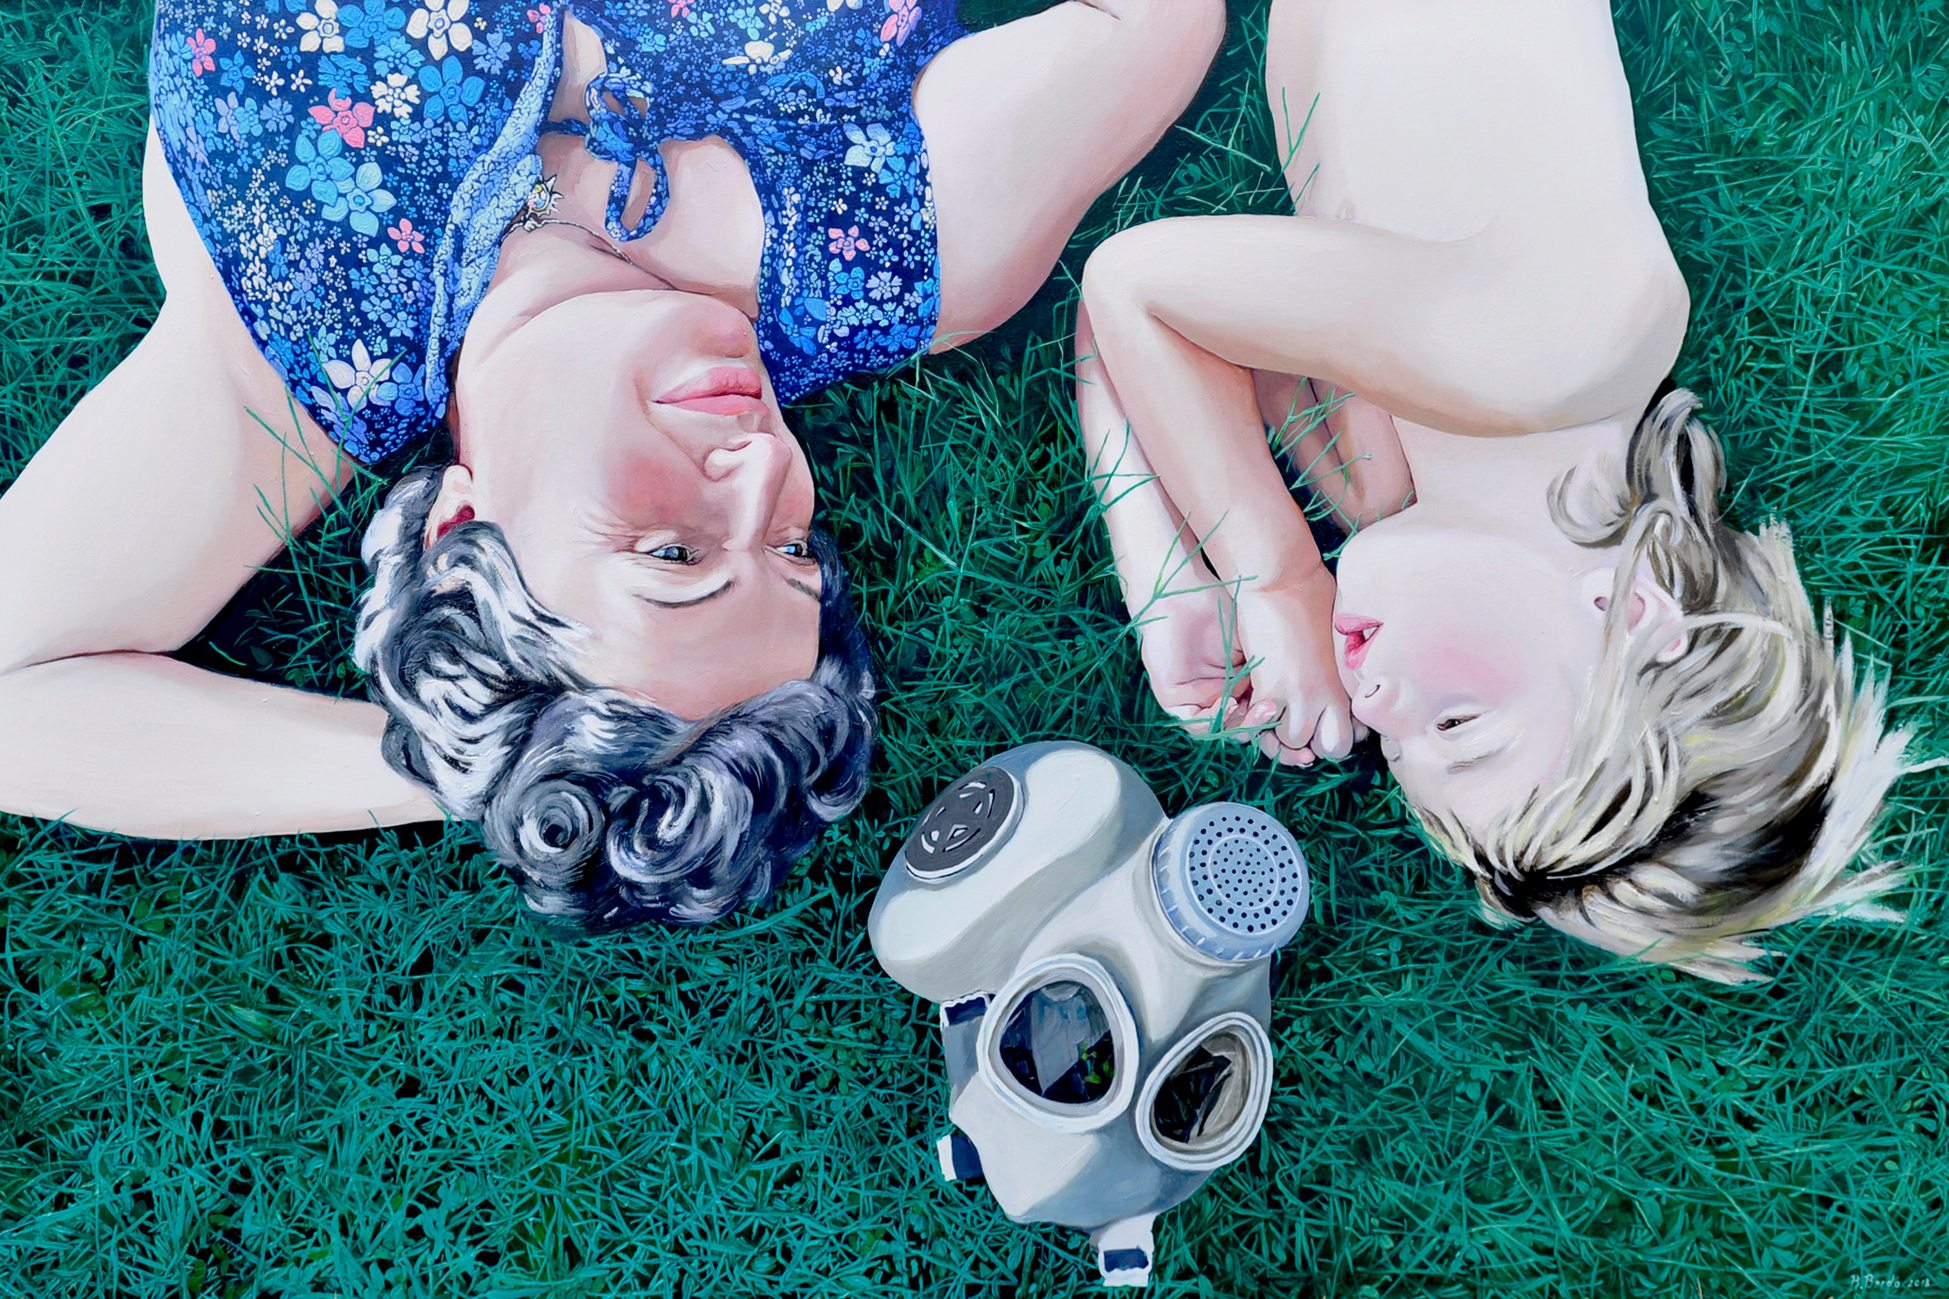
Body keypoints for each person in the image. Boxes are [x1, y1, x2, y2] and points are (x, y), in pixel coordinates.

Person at [0, 0, 1224, 930]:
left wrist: (475, 769)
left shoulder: (298, 341)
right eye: (790, 548)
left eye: (675, 553)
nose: (762, 472)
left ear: (458, 538)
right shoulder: (885, 243)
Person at [1073, 0, 1911, 983]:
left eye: (1400, 752)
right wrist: (1272, 577)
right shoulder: (1562, 347)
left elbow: (1138, 340)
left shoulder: (1402, 489)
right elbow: (1138, 289)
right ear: (1627, 614)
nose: (1375, 704)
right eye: (1457, 725)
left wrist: (1174, 582)